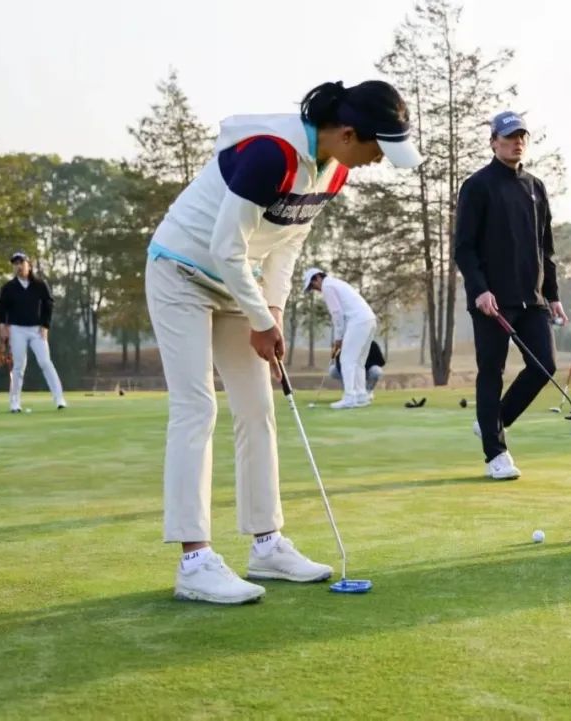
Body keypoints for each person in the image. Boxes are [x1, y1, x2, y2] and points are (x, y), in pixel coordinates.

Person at [145, 80, 422, 604]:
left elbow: (288, 241)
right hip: (180, 270)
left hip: (236, 282)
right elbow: (225, 246)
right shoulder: (271, 154)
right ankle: (194, 561)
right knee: (197, 407)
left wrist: (271, 310)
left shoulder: (334, 170)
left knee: (257, 409)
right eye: (377, 149)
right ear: (347, 133)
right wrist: (260, 318)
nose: (378, 161)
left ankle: (266, 544)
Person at [454, 110, 566, 480]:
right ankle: (496, 454)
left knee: (544, 366)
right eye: (509, 137)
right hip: (492, 302)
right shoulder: (477, 186)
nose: (517, 142)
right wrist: (480, 290)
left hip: (532, 299)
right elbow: (464, 248)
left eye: (521, 136)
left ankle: (494, 421)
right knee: (492, 372)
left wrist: (552, 294)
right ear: (493, 142)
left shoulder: (535, 186)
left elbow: (545, 247)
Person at [0, 252, 67, 412]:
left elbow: (48, 304)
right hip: (17, 329)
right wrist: (2, 327)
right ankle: (14, 403)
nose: (19, 266)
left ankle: (59, 399)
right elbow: (1, 308)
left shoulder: (40, 285)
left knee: (45, 362)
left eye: (21, 263)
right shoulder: (9, 287)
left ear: (29, 265)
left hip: (37, 330)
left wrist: (45, 325)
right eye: (16, 264)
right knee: (19, 366)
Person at [302, 268, 378, 408]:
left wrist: (338, 338)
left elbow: (337, 313)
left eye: (313, 285)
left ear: (318, 277)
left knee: (347, 360)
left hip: (358, 321)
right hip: (369, 320)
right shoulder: (336, 283)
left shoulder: (327, 286)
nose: (315, 289)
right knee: (358, 361)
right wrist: (341, 337)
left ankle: (350, 397)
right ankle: (361, 396)